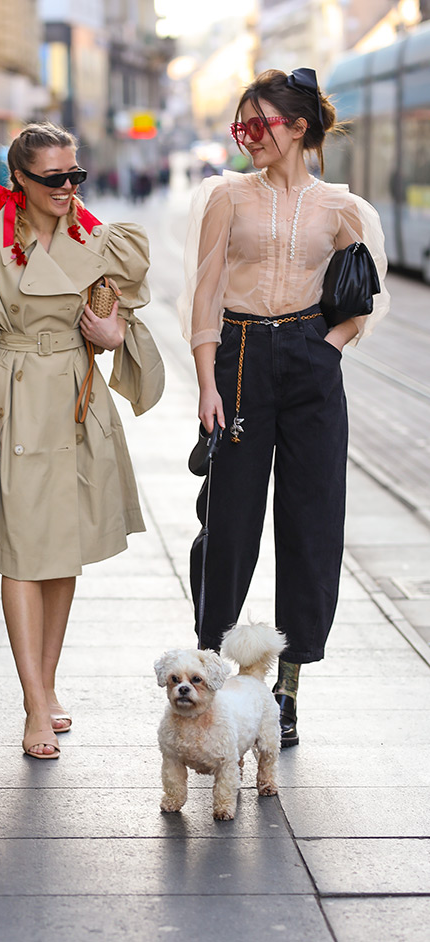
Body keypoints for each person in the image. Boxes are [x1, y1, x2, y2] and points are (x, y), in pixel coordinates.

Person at [0, 122, 164, 758]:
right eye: (53, 178)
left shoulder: (102, 241)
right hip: (14, 396)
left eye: (74, 176)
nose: (67, 188)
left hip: (79, 403)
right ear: (18, 181)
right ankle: (32, 703)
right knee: (24, 552)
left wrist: (111, 337)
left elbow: (119, 320)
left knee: (62, 551)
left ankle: (47, 684)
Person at [177, 68, 390, 747]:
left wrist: (326, 347)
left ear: (297, 128)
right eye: (241, 122)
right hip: (238, 358)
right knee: (229, 523)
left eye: (258, 123)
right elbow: (205, 295)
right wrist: (207, 384)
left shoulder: (342, 208)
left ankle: (288, 690)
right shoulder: (226, 197)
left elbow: (363, 299)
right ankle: (212, 666)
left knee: (311, 522)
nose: (246, 135)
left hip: (310, 360)